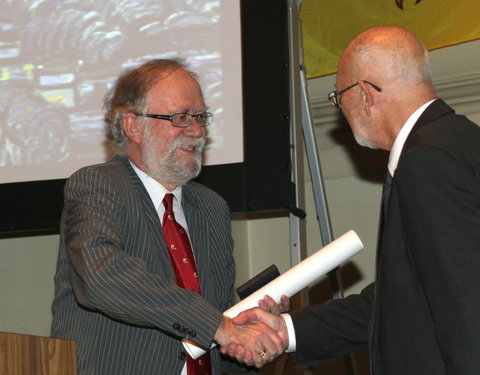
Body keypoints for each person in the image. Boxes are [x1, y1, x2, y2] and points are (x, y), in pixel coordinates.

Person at [222, 25, 480, 374]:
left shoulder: (426, 161)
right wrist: (286, 331)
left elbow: (465, 308)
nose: (340, 108)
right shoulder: (461, 141)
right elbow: (402, 300)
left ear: (365, 94)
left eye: (337, 96)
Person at [50, 58, 286, 375]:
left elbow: (217, 332)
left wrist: (251, 331)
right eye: (181, 117)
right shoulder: (98, 186)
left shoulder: (211, 207)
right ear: (133, 126)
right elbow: (102, 277)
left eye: (201, 117)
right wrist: (223, 327)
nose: (198, 130)